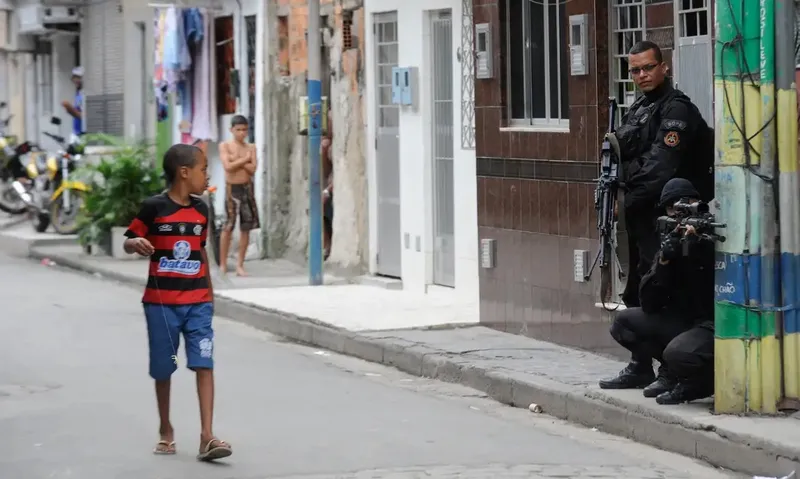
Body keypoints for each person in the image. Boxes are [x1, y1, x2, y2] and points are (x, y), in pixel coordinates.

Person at [123, 143, 233, 461]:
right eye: (203, 169)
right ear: (184, 173)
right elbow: (130, 238)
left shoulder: (202, 209)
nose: (207, 174)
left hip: (197, 301)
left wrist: (210, 297)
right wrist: (135, 243)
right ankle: (166, 429)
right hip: (161, 304)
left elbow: (200, 253)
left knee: (204, 363)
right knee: (165, 368)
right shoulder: (153, 208)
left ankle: (207, 436)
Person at [615, 41, 714, 308]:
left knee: (658, 292)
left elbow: (659, 169)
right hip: (642, 214)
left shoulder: (677, 109)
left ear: (664, 67)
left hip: (669, 217)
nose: (642, 75)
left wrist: (625, 192)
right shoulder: (639, 109)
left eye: (648, 67)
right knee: (636, 291)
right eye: (635, 71)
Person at [599, 178, 715, 405]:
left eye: (687, 204)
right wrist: (665, 260)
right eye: (673, 208)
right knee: (623, 322)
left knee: (678, 352)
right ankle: (669, 372)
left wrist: (699, 249)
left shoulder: (712, 233)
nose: (679, 214)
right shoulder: (669, 235)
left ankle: (699, 382)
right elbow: (649, 302)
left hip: (709, 322)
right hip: (682, 320)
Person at [218, 115, 259, 276]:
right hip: (231, 189)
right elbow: (228, 167)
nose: (242, 133)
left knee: (246, 227)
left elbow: (253, 169)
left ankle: (240, 265)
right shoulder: (225, 146)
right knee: (228, 226)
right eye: (238, 130)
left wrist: (239, 161)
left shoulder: (251, 147)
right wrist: (245, 160)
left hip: (247, 188)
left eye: (244, 130)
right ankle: (223, 263)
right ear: (231, 130)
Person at [321, 108, 333, 260]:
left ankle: (328, 245)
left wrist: (328, 190)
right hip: (329, 184)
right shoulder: (327, 145)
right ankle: (326, 244)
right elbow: (325, 172)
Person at [61, 67, 84, 137]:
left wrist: (70, 109)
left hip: (83, 133)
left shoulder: (84, 94)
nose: (74, 80)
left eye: (78, 77)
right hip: (77, 132)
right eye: (74, 78)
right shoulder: (78, 93)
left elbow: (83, 116)